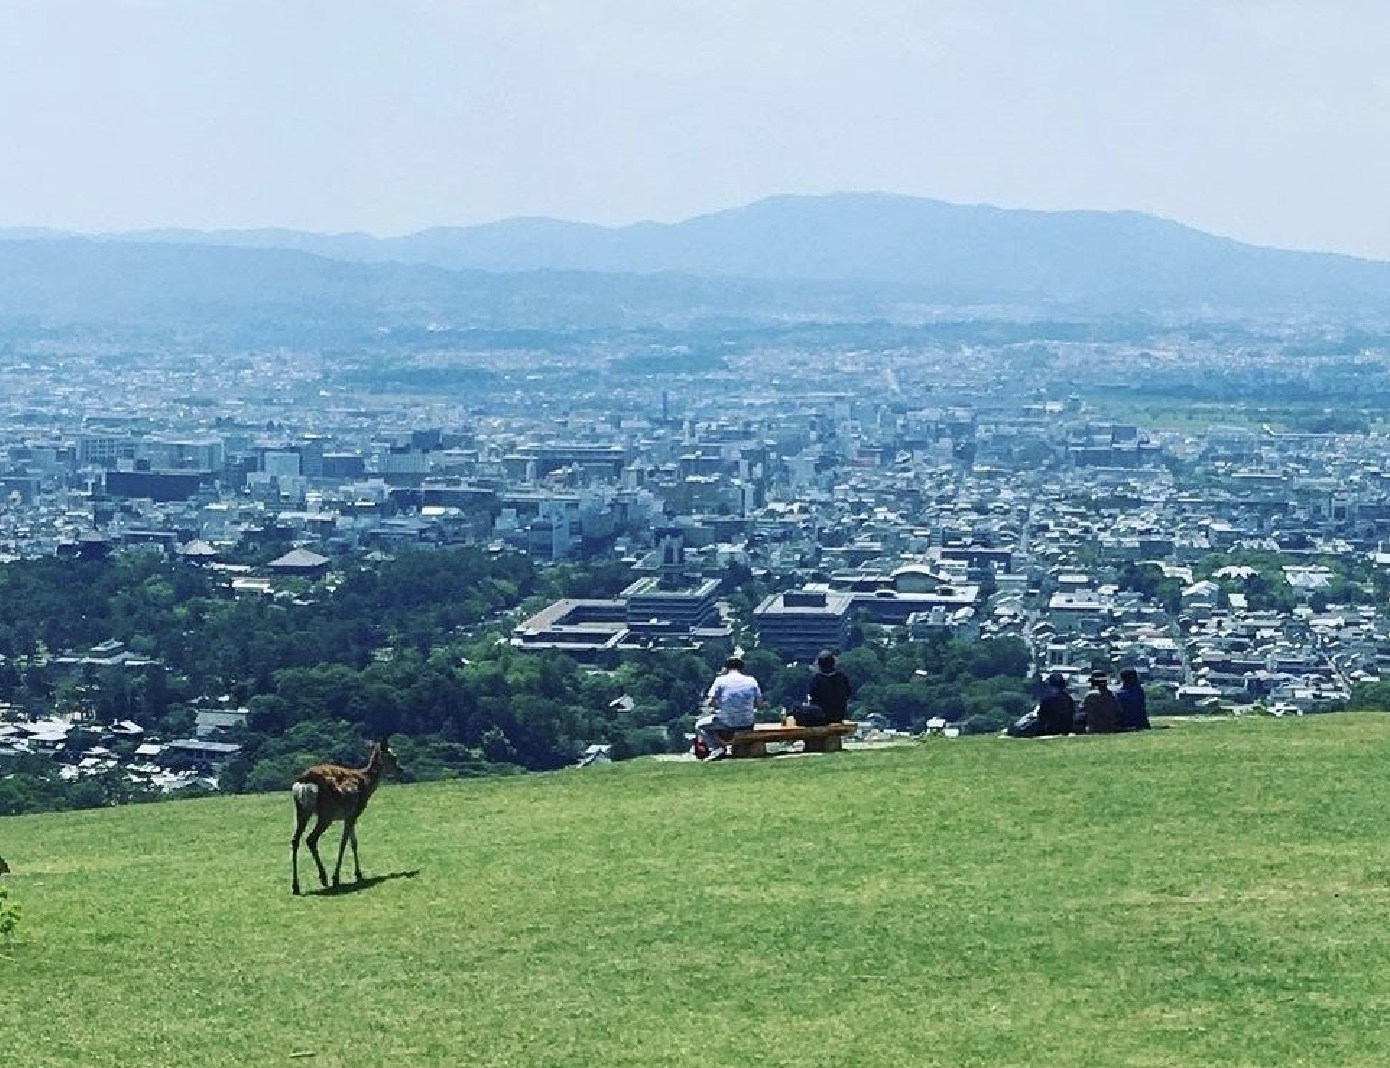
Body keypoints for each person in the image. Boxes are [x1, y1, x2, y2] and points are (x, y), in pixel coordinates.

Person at [697, 655, 763, 761]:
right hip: (748, 722)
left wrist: (720, 706)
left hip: (728, 723)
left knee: (700, 725)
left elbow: (710, 702)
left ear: (726, 668)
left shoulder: (720, 680)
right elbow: (759, 704)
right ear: (742, 668)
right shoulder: (752, 680)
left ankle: (716, 749)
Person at [798, 650, 852, 727]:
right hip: (839, 716)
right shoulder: (842, 678)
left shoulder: (817, 679)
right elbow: (848, 694)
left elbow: (812, 696)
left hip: (820, 717)